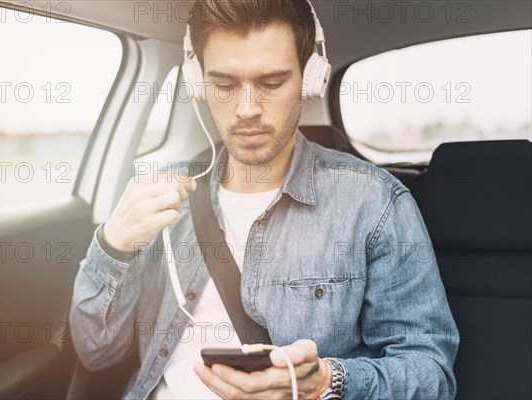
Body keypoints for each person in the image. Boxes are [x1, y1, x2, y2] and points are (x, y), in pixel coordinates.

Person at [69, 1, 460, 399]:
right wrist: (112, 246)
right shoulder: (157, 201)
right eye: (223, 85)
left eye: (272, 83)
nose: (247, 109)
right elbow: (95, 354)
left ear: (310, 78)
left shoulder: (374, 203)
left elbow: (432, 375)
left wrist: (327, 382)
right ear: (196, 80)